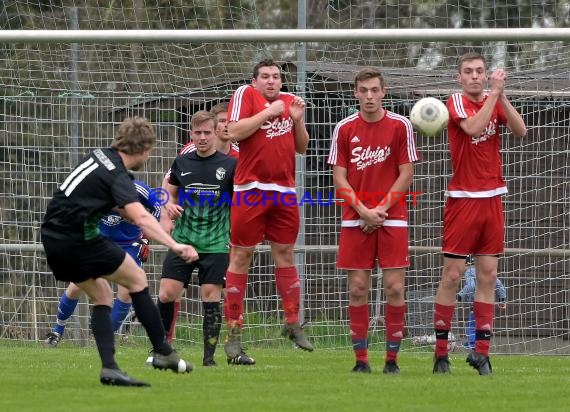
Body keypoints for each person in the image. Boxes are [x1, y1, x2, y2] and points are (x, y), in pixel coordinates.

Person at [40, 117, 197, 387]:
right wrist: (175, 245)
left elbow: (112, 204)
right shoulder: (117, 175)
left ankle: (110, 368)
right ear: (144, 149)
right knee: (137, 279)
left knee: (102, 294)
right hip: (77, 239)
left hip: (55, 238)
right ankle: (163, 352)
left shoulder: (99, 157)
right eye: (149, 152)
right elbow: (142, 219)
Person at [432, 52, 526, 375]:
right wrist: (494, 97)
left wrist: (503, 97)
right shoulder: (455, 102)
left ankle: (481, 354)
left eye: (480, 71)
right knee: (453, 276)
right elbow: (473, 128)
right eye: (468, 71)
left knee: (487, 276)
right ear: (459, 77)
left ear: (487, 75)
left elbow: (520, 130)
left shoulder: (493, 99)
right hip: (463, 201)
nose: (475, 76)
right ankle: (441, 354)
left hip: (493, 200)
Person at [221, 58, 314, 360]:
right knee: (241, 255)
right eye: (265, 76)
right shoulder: (245, 96)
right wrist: (267, 112)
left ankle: (292, 322)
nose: (272, 81)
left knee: (285, 254)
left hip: (284, 191)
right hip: (250, 189)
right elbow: (233, 132)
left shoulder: (290, 102)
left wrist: (298, 120)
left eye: (276, 77)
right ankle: (234, 332)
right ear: (255, 80)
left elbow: (302, 147)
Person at [327, 67, 419, 374]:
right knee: (356, 289)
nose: (369, 96)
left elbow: (407, 172)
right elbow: (339, 177)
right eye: (363, 90)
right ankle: (361, 361)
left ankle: (392, 361)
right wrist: (364, 211)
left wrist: (379, 210)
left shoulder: (400, 125)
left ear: (383, 92)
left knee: (394, 288)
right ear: (355, 93)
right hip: (356, 218)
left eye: (374, 90)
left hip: (392, 217)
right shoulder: (343, 128)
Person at [155, 110, 253, 367]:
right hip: (184, 239)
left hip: (216, 242)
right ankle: (162, 350)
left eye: (207, 133)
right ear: (191, 134)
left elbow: (241, 202)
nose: (202, 138)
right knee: (166, 293)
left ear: (215, 133)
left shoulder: (231, 165)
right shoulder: (182, 162)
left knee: (210, 297)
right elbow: (169, 192)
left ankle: (209, 360)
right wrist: (169, 207)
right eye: (197, 133)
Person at [44, 179, 160, 347]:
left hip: (129, 244)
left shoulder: (138, 189)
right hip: (99, 242)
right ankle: (57, 331)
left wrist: (147, 237)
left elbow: (157, 208)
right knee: (77, 285)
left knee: (127, 291)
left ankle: (105, 339)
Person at [457, 255, 507, 350]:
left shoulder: (470, 271)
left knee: (472, 324)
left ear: (466, 264)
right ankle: (483, 343)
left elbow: (471, 286)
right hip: (488, 303)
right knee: (484, 324)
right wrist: (502, 300)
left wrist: (460, 295)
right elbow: (499, 286)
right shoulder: (486, 271)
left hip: (477, 303)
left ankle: (472, 344)